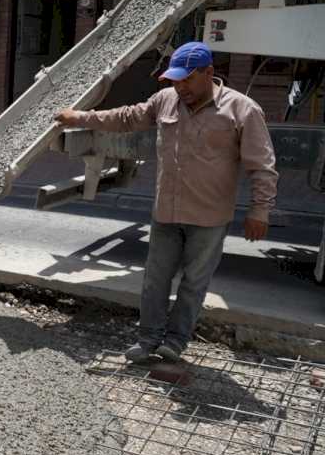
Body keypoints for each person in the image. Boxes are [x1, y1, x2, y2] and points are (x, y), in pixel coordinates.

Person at [53, 41, 278, 363]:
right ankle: (148, 340)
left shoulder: (242, 110)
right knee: (155, 281)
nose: (180, 87)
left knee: (194, 284)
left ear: (209, 73)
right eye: (175, 80)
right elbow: (127, 118)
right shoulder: (165, 100)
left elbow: (262, 166)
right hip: (166, 212)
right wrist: (80, 118)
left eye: (187, 80)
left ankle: (175, 342)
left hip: (209, 216)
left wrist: (260, 210)